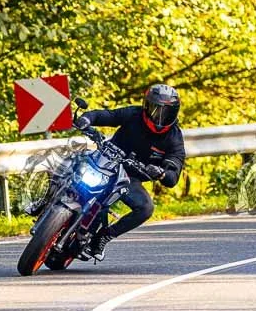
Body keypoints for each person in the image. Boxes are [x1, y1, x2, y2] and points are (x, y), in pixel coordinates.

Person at [73, 84, 185, 260]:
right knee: (71, 161)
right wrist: (86, 119)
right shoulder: (133, 114)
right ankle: (45, 199)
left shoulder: (174, 138)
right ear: (146, 106)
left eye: (166, 112)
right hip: (104, 161)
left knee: (146, 208)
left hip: (128, 178)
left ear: (175, 112)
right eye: (155, 109)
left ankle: (104, 236)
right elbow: (107, 115)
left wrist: (161, 173)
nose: (159, 116)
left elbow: (173, 174)